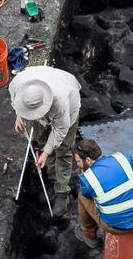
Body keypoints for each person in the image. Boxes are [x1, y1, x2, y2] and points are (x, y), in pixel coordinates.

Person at [9, 64, 81, 217]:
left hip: (69, 106)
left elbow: (60, 131)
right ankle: (53, 179)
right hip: (40, 109)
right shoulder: (17, 85)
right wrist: (19, 115)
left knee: (62, 150)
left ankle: (62, 192)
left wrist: (46, 153)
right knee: (42, 141)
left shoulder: (60, 100)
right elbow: (15, 101)